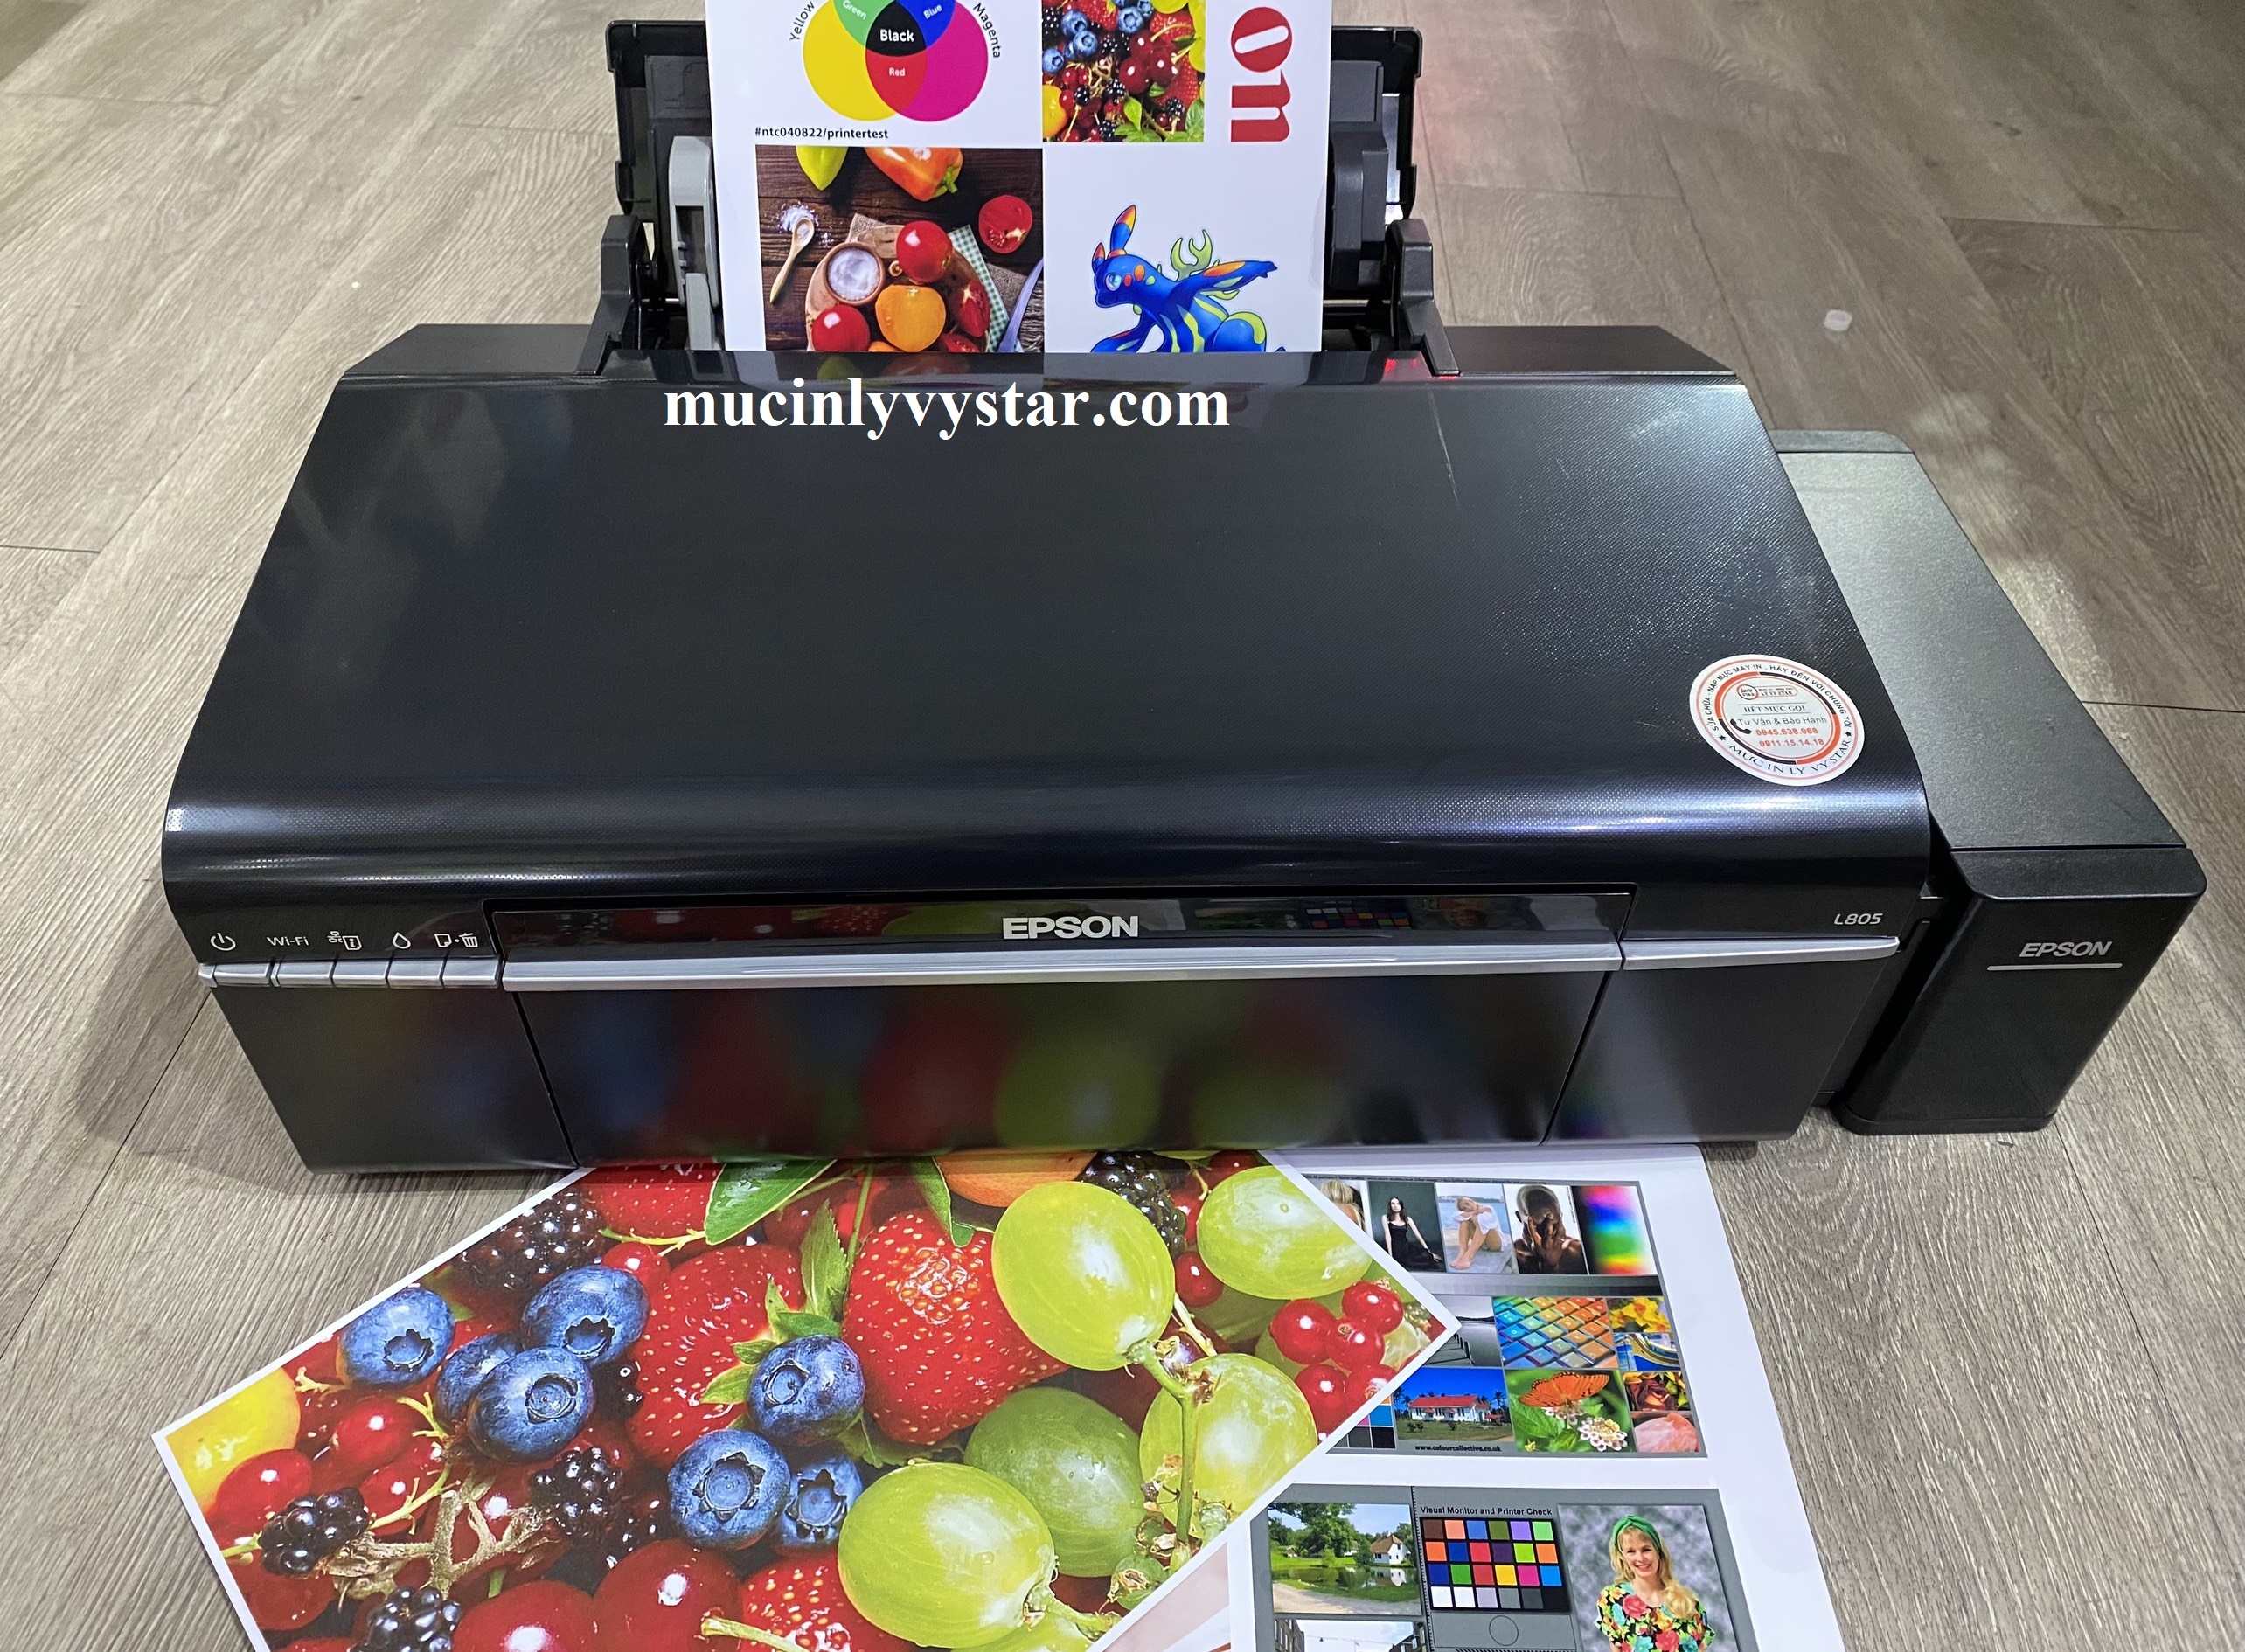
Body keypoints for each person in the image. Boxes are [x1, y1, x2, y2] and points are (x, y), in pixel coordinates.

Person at [1595, 1517, 1713, 1651]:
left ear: (1658, 1552)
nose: (1640, 1558)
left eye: (1646, 1549)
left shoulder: (1688, 1603)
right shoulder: (1612, 1599)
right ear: (1622, 1557)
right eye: (1631, 1552)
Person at [1512, 1184, 1586, 1274]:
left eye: (1554, 1224)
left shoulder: (1578, 1252)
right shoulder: (1513, 1255)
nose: (1547, 1231)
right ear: (1519, 1217)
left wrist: (1550, 1265)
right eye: (1537, 1226)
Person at [1380, 1197, 1440, 1272]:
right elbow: (1388, 1236)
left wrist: (1427, 1250)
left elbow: (1418, 1235)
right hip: (1393, 1247)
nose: (1395, 1206)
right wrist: (1390, 1256)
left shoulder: (1407, 1219)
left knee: (1426, 1256)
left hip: (1405, 1246)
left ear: (1401, 1206)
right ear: (1390, 1206)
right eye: (1393, 1204)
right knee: (1404, 1263)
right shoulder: (1385, 1218)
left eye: (1398, 1204)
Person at [1449, 1196, 1496, 1268]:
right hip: (1481, 1244)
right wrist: (1477, 1212)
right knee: (1464, 1221)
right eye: (1464, 1208)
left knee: (1481, 1221)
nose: (1468, 1208)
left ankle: (1469, 1257)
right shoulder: (1473, 1212)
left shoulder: (1488, 1207)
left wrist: (1473, 1216)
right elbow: (1455, 1216)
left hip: (1495, 1244)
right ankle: (1462, 1252)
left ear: (1472, 1201)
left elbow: (1485, 1219)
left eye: (1467, 1203)